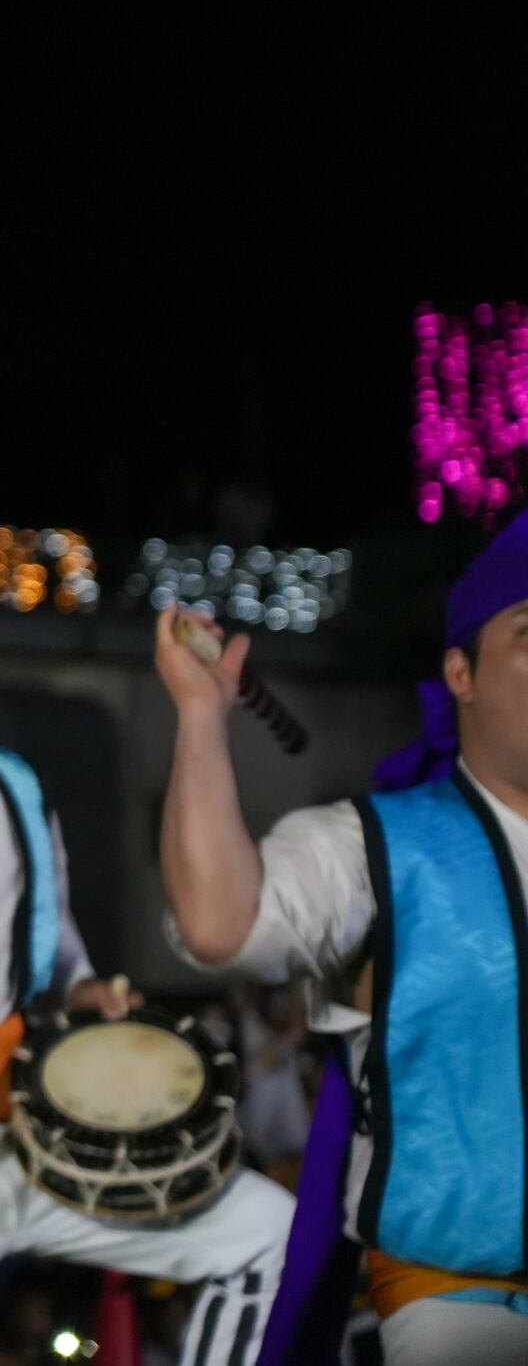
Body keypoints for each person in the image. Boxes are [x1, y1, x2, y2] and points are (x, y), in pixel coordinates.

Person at [0, 533, 292, 1366]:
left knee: (268, 1232)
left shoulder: (17, 786)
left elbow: (57, 950)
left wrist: (86, 996)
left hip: (29, 1144)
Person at [157, 510, 528, 1363]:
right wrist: (201, 716)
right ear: (460, 672)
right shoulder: (375, 847)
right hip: (466, 1301)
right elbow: (221, 922)